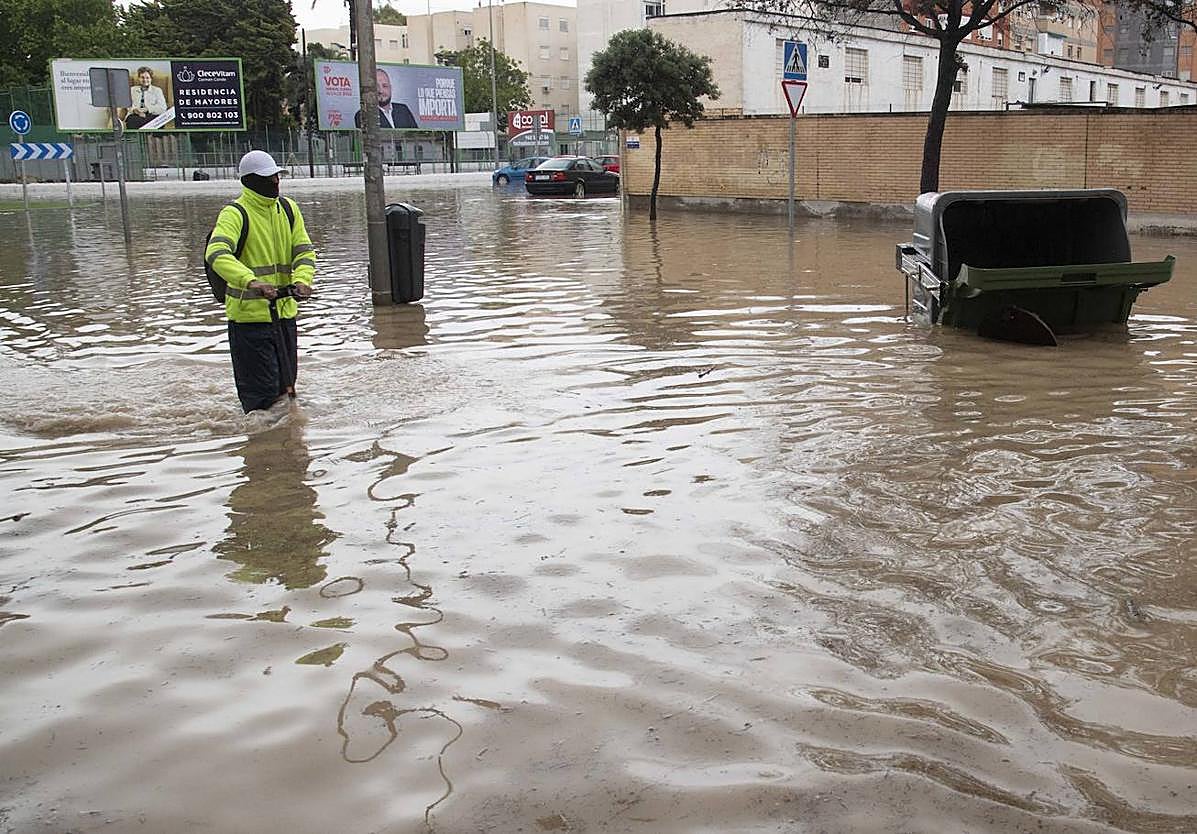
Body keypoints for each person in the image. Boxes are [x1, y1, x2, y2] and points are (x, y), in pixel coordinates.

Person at [205, 150, 316, 413]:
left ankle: (283, 437)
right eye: (268, 178)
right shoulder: (235, 213)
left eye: (277, 176)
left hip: (284, 316)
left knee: (286, 391)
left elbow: (304, 251)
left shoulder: (288, 209)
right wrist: (251, 281)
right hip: (249, 321)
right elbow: (216, 253)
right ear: (250, 181)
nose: (275, 182)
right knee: (261, 400)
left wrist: (302, 280)